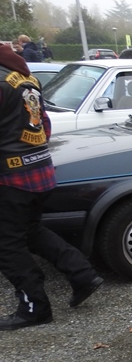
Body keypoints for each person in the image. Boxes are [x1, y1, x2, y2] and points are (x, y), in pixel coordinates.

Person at [0, 43, 103, 330]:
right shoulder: (26, 77)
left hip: (11, 176)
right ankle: (82, 273)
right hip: (39, 170)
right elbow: (43, 126)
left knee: (7, 245)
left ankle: (34, 307)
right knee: (31, 231)